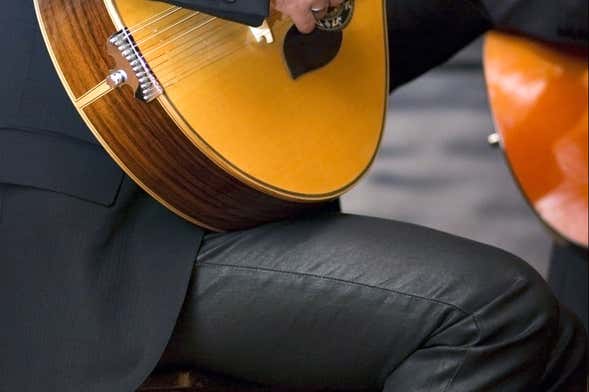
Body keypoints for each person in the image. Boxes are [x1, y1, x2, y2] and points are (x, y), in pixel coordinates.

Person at [0, 0, 586, 391]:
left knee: (562, 350)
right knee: (492, 315)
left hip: (219, 194)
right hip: (78, 233)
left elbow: (334, 43)